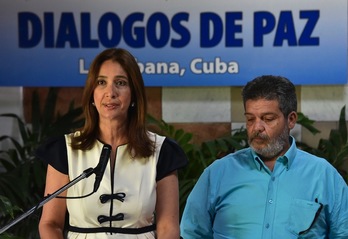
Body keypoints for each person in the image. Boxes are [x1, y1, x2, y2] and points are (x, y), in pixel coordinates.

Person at [36, 48, 188, 239]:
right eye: (101, 83)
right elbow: (50, 223)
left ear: (134, 94)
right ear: (92, 93)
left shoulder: (161, 151)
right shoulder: (64, 150)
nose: (110, 92)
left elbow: (168, 228)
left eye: (121, 83)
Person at [180, 75, 348, 239]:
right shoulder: (218, 173)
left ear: (291, 120)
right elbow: (191, 234)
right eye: (250, 119)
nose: (257, 127)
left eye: (268, 119)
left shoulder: (323, 175)